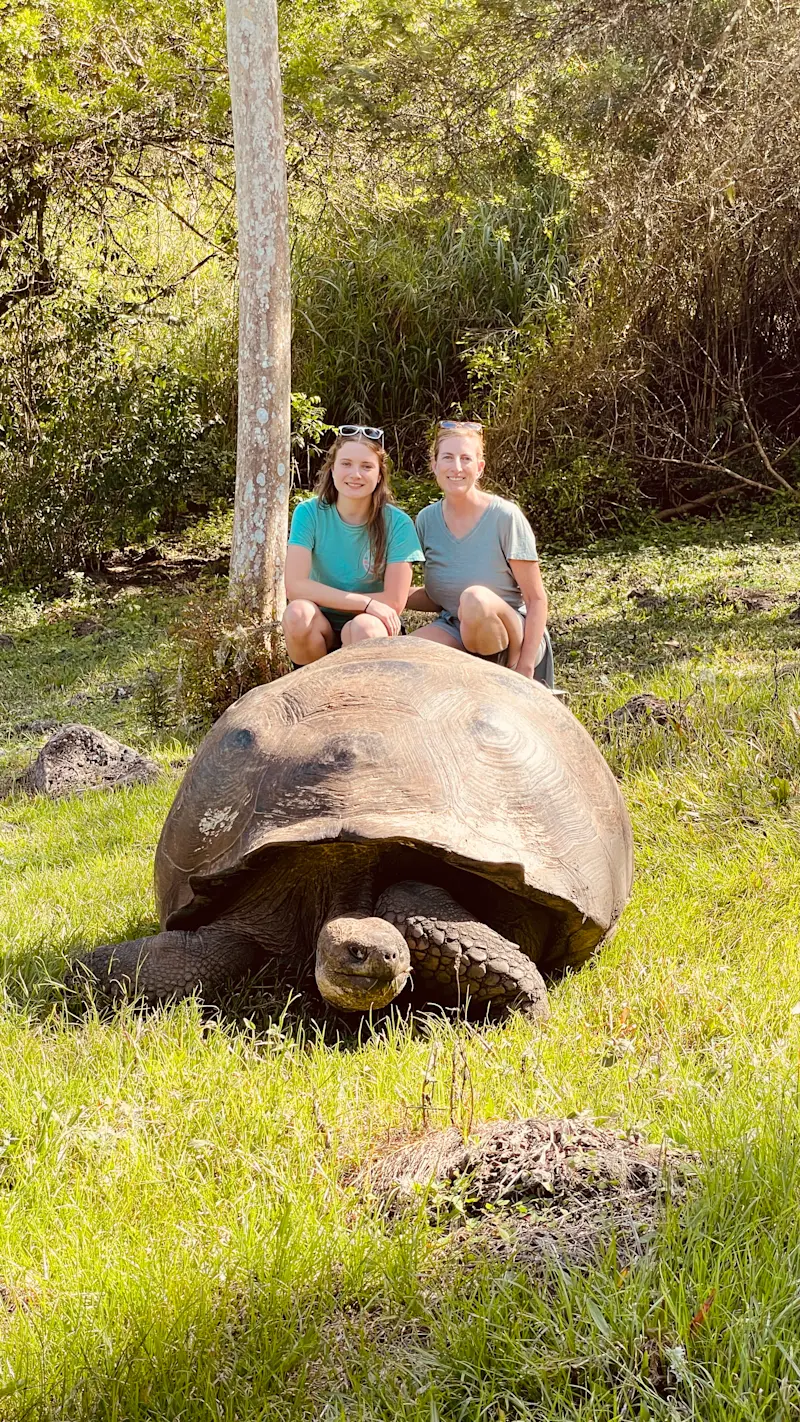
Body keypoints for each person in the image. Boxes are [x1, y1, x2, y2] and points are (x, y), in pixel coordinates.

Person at [407, 420, 553, 684]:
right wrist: (379, 597)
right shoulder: (426, 520)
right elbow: (438, 595)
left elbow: (536, 599)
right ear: (434, 465)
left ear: (480, 467)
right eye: (448, 458)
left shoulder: (505, 516)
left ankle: (502, 672)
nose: (457, 467)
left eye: (466, 458)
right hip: (456, 626)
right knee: (402, 657)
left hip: (512, 630)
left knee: (475, 599)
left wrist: (526, 666)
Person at [283, 424, 424, 664]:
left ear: (379, 475)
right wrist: (365, 602)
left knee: (363, 628)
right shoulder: (309, 513)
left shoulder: (398, 523)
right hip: (321, 625)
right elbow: (295, 586)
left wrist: (367, 610)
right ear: (332, 469)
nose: (355, 474)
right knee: (297, 614)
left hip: (371, 627)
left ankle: (365, 697)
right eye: (346, 464)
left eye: (366, 466)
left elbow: (394, 602)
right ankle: (314, 692)